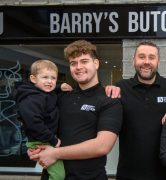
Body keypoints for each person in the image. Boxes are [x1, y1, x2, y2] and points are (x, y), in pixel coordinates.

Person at [29, 40, 123, 180]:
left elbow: (102, 146)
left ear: (96, 64)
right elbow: (41, 124)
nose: (78, 67)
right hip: (53, 176)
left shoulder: (109, 100)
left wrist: (55, 153)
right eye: (73, 63)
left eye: (84, 61)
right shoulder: (60, 97)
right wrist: (36, 148)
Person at [106, 41, 166, 180]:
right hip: (128, 174)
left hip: (165, 174)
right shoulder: (120, 88)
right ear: (133, 60)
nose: (146, 62)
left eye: (151, 57)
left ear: (158, 61)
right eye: (141, 56)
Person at [15, 60, 70, 180]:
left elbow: (48, 92)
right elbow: (33, 123)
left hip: (43, 139)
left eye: (53, 78)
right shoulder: (31, 98)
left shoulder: (41, 92)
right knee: (58, 175)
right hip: (41, 141)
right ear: (33, 79)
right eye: (45, 77)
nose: (50, 81)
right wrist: (53, 140)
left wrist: (60, 87)